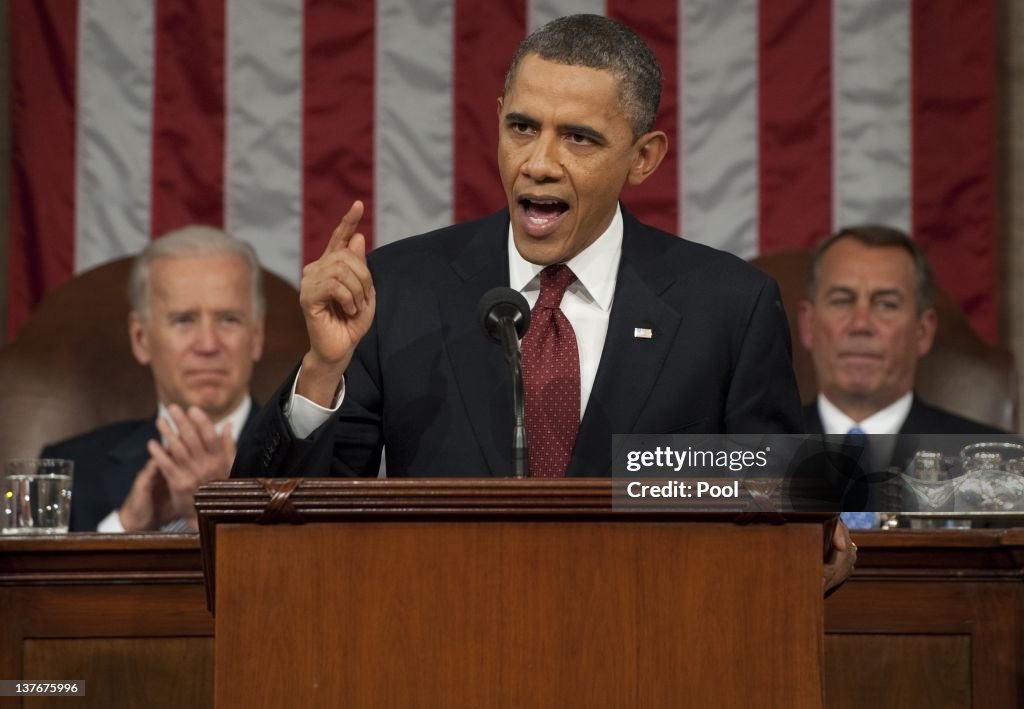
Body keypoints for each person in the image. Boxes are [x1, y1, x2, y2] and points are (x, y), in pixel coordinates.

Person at [232, 14, 854, 590]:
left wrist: (810, 533)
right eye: (522, 127)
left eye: (578, 138)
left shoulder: (727, 307)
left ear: (643, 158)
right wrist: (321, 372)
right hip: (440, 648)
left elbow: (777, 510)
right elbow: (289, 520)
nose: (539, 163)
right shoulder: (399, 287)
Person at [42, 227, 266, 532]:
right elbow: (41, 580)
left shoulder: (316, 464)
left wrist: (226, 510)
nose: (208, 344)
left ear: (256, 337)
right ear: (141, 338)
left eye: (229, 319)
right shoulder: (71, 471)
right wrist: (125, 528)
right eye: (184, 320)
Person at [797, 225, 1007, 526]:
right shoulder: (756, 455)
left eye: (886, 304)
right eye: (842, 300)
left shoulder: (995, 469)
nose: (860, 324)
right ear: (809, 324)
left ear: (923, 331)